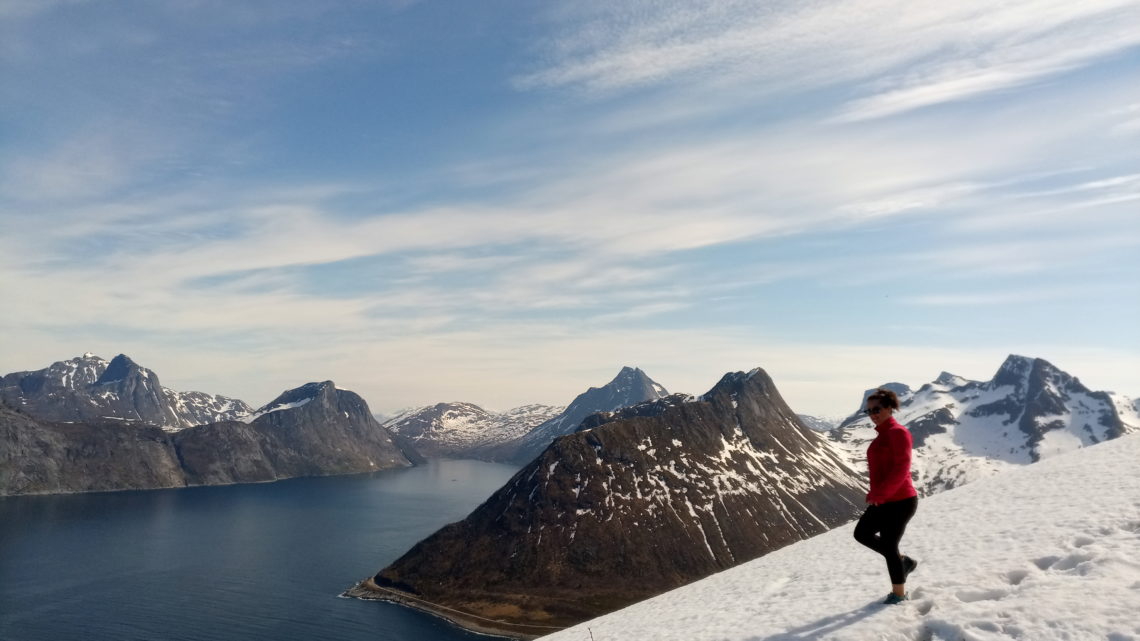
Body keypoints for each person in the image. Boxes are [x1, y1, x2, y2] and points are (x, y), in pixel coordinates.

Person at [853, 388, 919, 605]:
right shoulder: (883, 434)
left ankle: (899, 594)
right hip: (884, 499)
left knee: (889, 545)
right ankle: (903, 562)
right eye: (869, 410)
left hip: (901, 501)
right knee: (862, 533)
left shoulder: (898, 433)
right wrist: (875, 493)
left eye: (877, 409)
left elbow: (901, 468)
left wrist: (880, 493)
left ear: (890, 408)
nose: (872, 413)